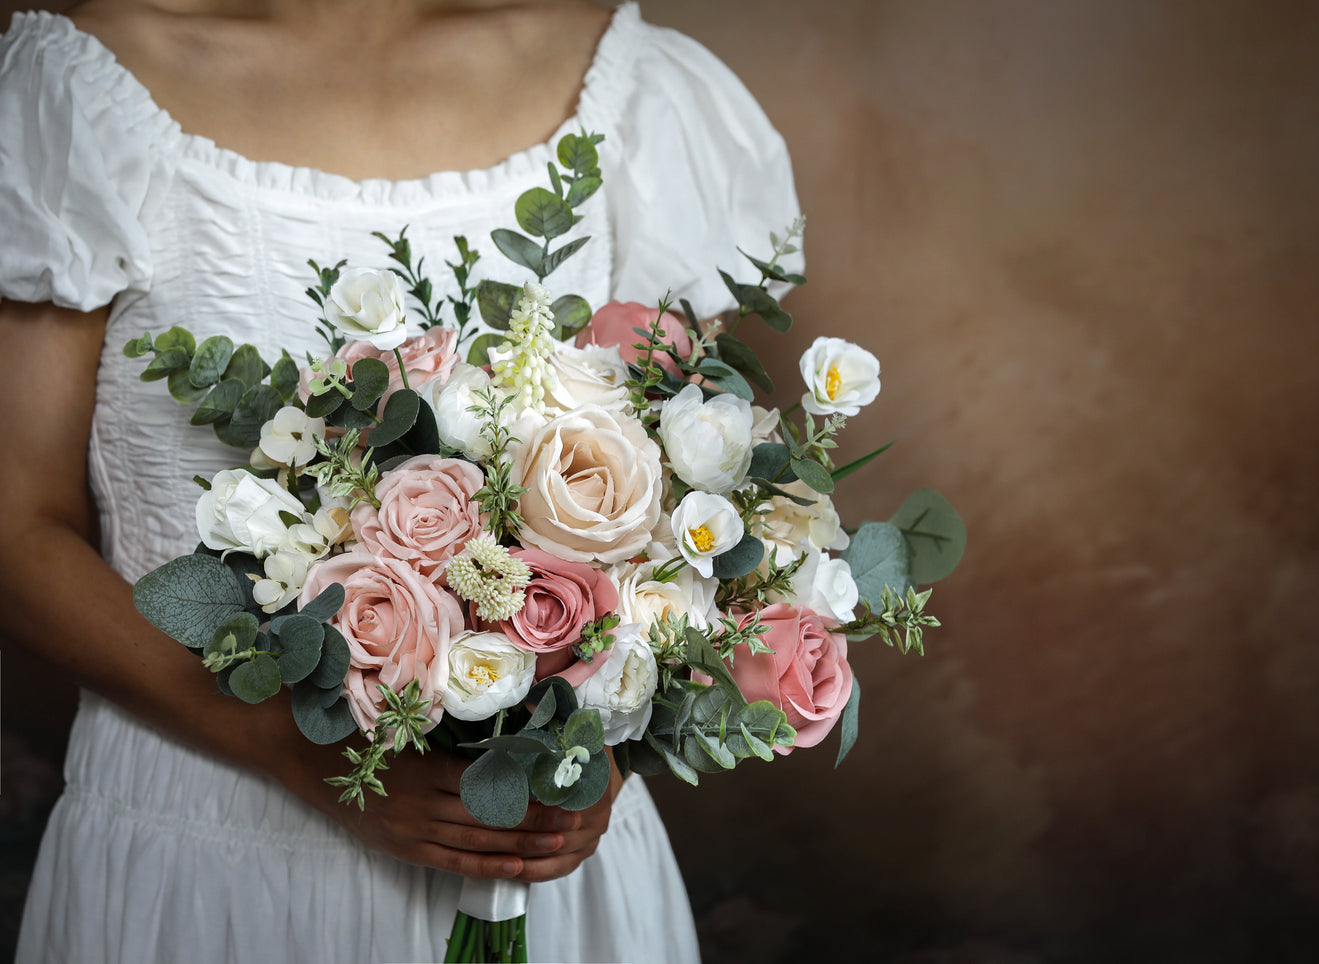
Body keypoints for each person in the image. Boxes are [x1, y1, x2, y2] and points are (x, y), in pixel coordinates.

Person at [0, 1, 802, 960]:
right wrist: (292, 747)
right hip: (202, 837)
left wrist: (601, 763)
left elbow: (690, 501)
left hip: (540, 858)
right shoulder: (82, 86)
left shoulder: (631, 87)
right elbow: (16, 528)